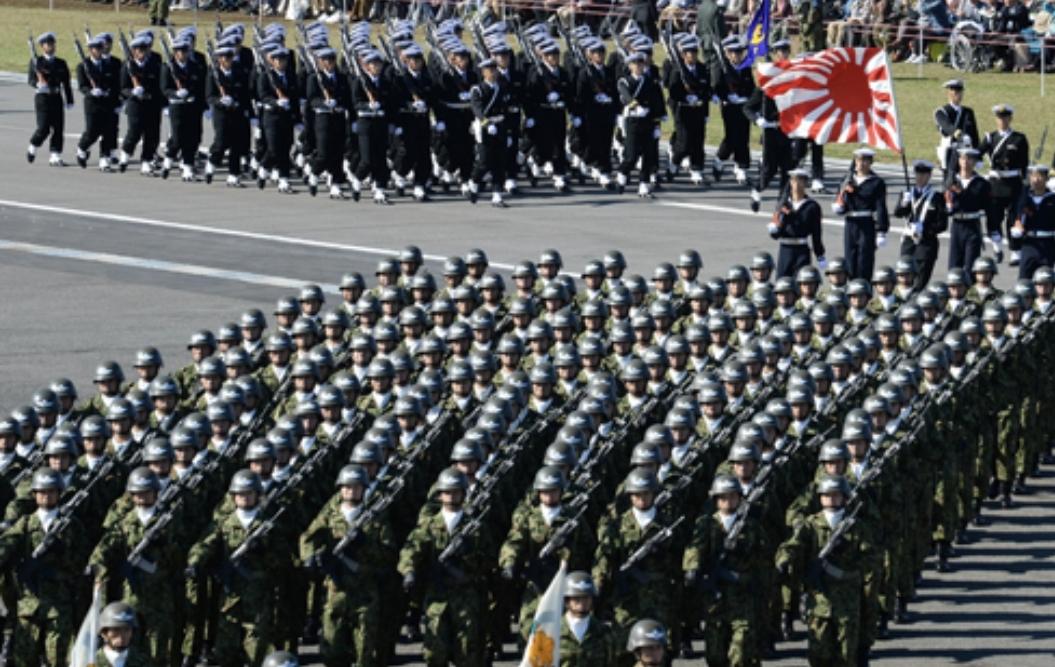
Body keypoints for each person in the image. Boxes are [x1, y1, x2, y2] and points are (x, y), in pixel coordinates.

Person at [979, 104, 1030, 267]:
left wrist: (1025, 183)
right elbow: (978, 154)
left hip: (1013, 183)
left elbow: (1024, 163)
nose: (1002, 121)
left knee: (1014, 219)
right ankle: (997, 247)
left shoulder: (1019, 138)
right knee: (994, 218)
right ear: (996, 119)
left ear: (1010, 119)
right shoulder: (989, 138)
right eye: (999, 118)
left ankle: (1015, 252)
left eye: (1005, 118)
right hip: (995, 184)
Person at [833, 147, 890, 280]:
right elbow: (840, 199)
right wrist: (840, 207)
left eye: (865, 160)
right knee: (850, 258)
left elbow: (881, 207)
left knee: (864, 259)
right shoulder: (847, 180)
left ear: (870, 163)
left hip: (866, 223)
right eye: (859, 160)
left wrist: (881, 230)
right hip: (850, 222)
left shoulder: (876, 182)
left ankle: (864, 289)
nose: (861, 163)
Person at [305, 47, 352, 200]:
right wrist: (324, 103)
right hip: (323, 119)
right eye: (326, 61)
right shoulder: (314, 78)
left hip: (338, 118)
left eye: (331, 61)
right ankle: (314, 172)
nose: (329, 64)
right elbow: (312, 99)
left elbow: (347, 97)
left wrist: (338, 102)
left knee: (338, 154)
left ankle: (336, 185)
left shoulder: (342, 77)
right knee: (324, 153)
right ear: (320, 62)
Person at [616, 52, 665, 198]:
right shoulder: (624, 81)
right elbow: (626, 95)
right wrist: (635, 106)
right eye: (635, 64)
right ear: (630, 66)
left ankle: (643, 185)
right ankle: (622, 172)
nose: (638, 66)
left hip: (648, 121)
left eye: (641, 64)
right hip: (632, 121)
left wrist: (657, 124)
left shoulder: (649, 81)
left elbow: (657, 102)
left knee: (648, 154)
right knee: (631, 156)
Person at [206, 45, 253, 188]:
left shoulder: (239, 72)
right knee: (221, 142)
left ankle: (234, 175)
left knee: (236, 145)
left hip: (237, 112)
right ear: (219, 59)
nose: (227, 60)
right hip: (221, 114)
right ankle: (213, 161)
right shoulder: (213, 74)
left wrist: (248, 111)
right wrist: (219, 101)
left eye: (229, 57)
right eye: (224, 58)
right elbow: (209, 96)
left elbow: (245, 93)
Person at [895, 160, 948, 287]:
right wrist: (903, 204)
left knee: (920, 281)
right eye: (918, 174)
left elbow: (942, 224)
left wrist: (924, 229)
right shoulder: (907, 193)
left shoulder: (937, 197)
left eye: (924, 174)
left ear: (929, 176)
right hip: (908, 242)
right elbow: (898, 213)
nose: (920, 177)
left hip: (927, 243)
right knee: (904, 280)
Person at [160, 38, 206, 182]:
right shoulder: (168, 67)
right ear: (175, 53)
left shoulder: (194, 66)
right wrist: (175, 94)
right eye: (179, 51)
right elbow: (164, 88)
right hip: (177, 106)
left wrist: (193, 95)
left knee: (192, 138)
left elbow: (199, 85)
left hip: (191, 106)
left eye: (185, 51)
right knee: (178, 138)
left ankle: (187, 168)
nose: (182, 54)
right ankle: (168, 159)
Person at [256, 47, 300, 194]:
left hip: (287, 118)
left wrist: (297, 118)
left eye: (283, 60)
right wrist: (275, 102)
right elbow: (263, 96)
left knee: (286, 148)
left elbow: (294, 98)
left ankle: (284, 180)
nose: (281, 63)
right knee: (274, 149)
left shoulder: (291, 76)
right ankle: (263, 167)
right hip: (272, 117)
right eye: (278, 60)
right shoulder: (265, 76)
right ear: (272, 61)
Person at [27, 32, 74, 167]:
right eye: (49, 44)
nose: (52, 46)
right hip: (42, 98)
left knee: (58, 128)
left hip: (56, 97)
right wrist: (38, 84)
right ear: (42, 46)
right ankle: (33, 144)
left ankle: (55, 155)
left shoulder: (61, 63)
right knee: (43, 128)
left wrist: (69, 100)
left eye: (53, 44)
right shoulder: (37, 61)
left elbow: (66, 83)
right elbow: (31, 80)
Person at [945, 148, 996, 273]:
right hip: (957, 225)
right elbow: (946, 205)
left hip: (972, 225)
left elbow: (989, 208)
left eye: (969, 159)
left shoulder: (981, 183)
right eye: (963, 158)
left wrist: (992, 229)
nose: (965, 162)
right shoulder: (951, 181)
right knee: (953, 265)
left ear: (974, 162)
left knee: (970, 266)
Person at [119, 34, 163, 176]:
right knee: (135, 131)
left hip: (152, 104)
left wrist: (164, 102)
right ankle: (125, 153)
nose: (141, 53)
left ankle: (146, 162)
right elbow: (122, 88)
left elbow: (160, 85)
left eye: (143, 50)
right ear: (133, 51)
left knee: (152, 135)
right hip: (135, 104)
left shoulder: (155, 65)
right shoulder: (127, 66)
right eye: (138, 50)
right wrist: (133, 92)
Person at [469, 58, 510, 207]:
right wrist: (487, 124)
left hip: (499, 126)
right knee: (484, 161)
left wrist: (508, 132)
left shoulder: (501, 87)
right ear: (483, 72)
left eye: (494, 70)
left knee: (499, 162)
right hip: (484, 128)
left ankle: (497, 195)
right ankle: (473, 182)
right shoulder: (477, 90)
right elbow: (477, 110)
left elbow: (506, 110)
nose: (493, 73)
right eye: (489, 70)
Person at [712, 36, 754, 186]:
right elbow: (717, 86)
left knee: (744, 135)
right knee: (732, 135)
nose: (736, 56)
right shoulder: (721, 66)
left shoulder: (745, 67)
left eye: (738, 52)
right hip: (729, 106)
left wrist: (746, 97)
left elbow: (751, 87)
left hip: (742, 105)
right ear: (727, 53)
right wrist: (726, 96)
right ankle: (719, 159)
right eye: (732, 52)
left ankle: (741, 165)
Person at [770, 169, 826, 278]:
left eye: (800, 180)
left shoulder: (812, 207)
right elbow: (775, 234)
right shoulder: (783, 204)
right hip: (785, 249)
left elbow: (816, 234)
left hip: (802, 250)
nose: (796, 184)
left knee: (803, 281)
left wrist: (821, 259)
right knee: (782, 283)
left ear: (805, 183)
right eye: (794, 180)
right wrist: (777, 224)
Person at [75, 35, 119, 171]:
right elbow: (82, 86)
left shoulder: (108, 65)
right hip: (92, 103)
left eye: (101, 48)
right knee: (92, 131)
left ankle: (104, 160)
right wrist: (90, 91)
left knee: (108, 131)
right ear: (90, 50)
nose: (100, 50)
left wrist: (117, 101)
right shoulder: (83, 66)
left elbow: (115, 84)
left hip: (107, 102)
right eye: (96, 48)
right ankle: (82, 148)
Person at [933, 79, 979, 187]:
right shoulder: (941, 111)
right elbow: (947, 126)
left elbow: (974, 133)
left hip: (966, 151)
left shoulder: (968, 112)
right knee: (950, 180)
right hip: (950, 150)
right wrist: (957, 133)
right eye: (955, 93)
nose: (958, 95)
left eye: (959, 93)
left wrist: (978, 155)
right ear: (949, 93)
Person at [1012, 165, 1055, 279]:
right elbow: (1016, 216)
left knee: (1045, 280)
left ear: (1046, 179)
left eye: (1040, 176)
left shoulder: (1052, 199)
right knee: (1024, 279)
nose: (1036, 180)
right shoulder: (1024, 198)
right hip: (1029, 243)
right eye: (1033, 176)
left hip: (1048, 243)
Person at [95, 601, 154, 666]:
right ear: (104, 633)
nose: (122, 635)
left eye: (127, 630)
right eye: (116, 629)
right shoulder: (91, 662)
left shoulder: (142, 662)